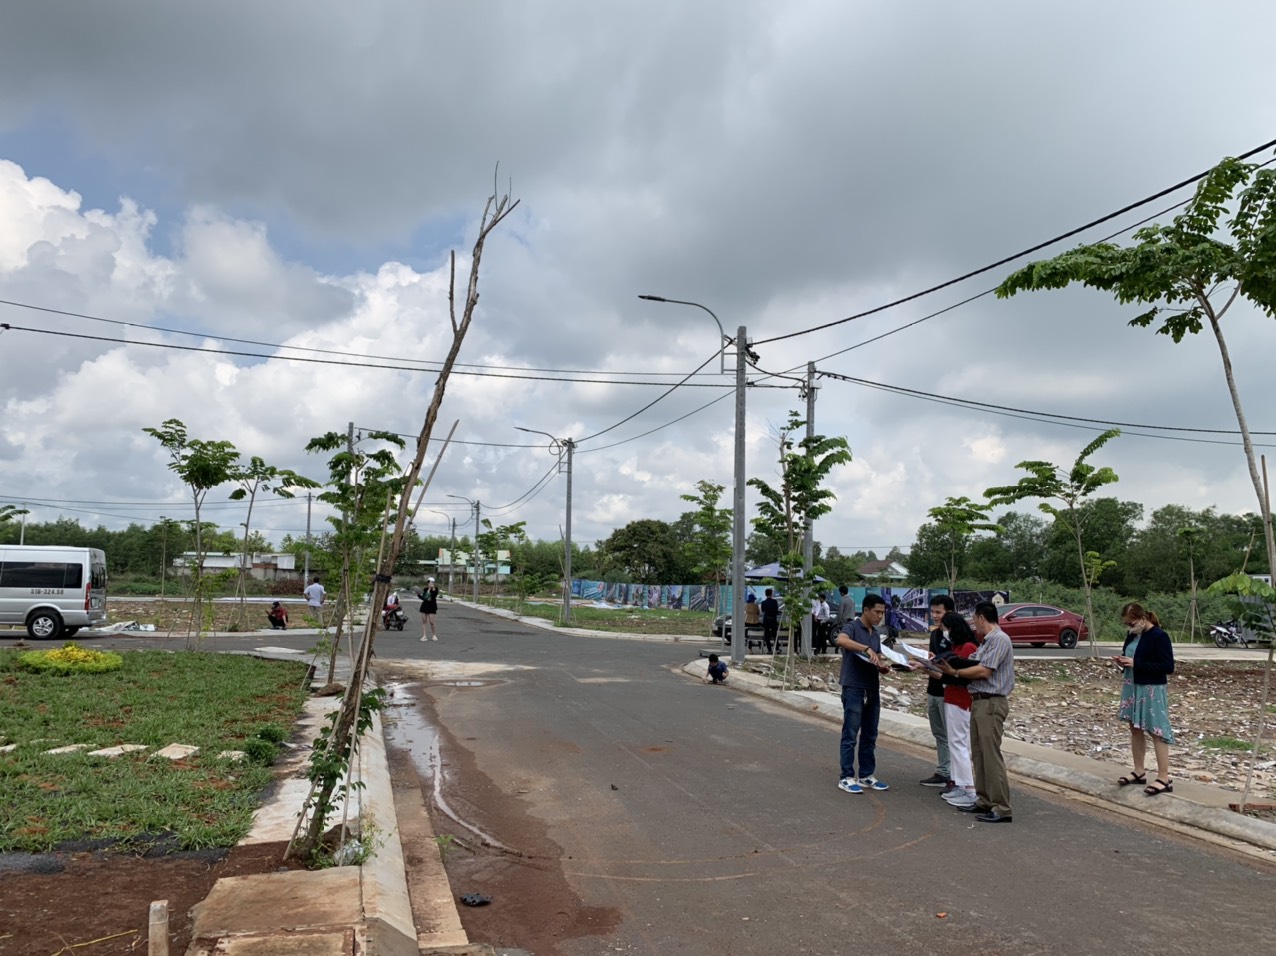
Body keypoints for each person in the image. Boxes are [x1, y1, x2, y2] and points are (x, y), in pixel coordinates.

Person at [937, 601, 1014, 823]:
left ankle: (1001, 807)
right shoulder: (986, 642)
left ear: (981, 617)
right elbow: (971, 662)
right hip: (979, 702)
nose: (974, 624)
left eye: (975, 619)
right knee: (979, 755)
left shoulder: (999, 639)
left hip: (991, 702)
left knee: (990, 756)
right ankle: (984, 800)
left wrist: (956, 673)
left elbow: (983, 670)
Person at [1115, 602, 1176, 796]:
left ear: (1142, 619)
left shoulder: (1159, 636)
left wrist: (1136, 663)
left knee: (1156, 730)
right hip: (1132, 684)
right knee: (1135, 728)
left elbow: (1167, 666)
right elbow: (1131, 656)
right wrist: (1124, 662)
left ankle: (1164, 777)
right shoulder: (1133, 635)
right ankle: (1139, 770)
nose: (1130, 627)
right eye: (1127, 624)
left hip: (1151, 688)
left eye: (1132, 623)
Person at [833, 593, 893, 793]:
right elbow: (841, 640)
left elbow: (876, 658)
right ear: (866, 610)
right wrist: (865, 648)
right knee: (850, 733)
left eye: (882, 613)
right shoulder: (852, 627)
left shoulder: (875, 634)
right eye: (876, 612)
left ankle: (866, 774)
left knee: (870, 734)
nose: (879, 616)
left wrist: (883, 667)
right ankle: (847, 776)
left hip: (871, 688)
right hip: (853, 687)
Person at [937, 612, 981, 810]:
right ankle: (959, 783)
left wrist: (947, 671)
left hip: (961, 700)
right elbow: (948, 675)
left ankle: (969, 789)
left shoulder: (969, 648)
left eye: (946, 628)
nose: (944, 632)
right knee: (956, 743)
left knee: (959, 744)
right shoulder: (956, 647)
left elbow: (964, 676)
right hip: (952, 698)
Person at [918, 594, 954, 788]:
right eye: (932, 612)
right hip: (932, 689)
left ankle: (953, 776)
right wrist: (923, 660)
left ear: (949, 612)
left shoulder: (955, 637)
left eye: (938, 612)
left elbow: (949, 667)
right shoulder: (935, 634)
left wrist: (928, 665)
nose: (935, 616)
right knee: (939, 733)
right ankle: (943, 771)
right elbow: (934, 661)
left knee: (950, 735)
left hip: (947, 692)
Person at [760, 588, 781, 654]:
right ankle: (777, 648)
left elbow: (763, 610)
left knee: (767, 635)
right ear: (771, 594)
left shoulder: (763, 602)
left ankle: (769, 650)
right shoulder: (774, 602)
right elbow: (776, 610)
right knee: (775, 634)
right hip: (773, 620)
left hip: (766, 620)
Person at [811, 591, 832, 655]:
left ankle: (823, 649)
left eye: (819, 598)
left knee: (822, 636)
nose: (818, 600)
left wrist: (822, 622)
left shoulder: (825, 606)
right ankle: (819, 649)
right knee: (820, 636)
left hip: (822, 622)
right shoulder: (820, 605)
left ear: (822, 598)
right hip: (819, 620)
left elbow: (827, 616)